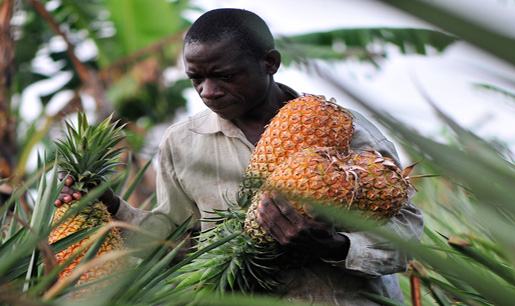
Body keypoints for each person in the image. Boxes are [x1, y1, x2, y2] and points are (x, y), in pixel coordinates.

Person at [56, 8, 423, 305]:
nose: (208, 92)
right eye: (195, 79)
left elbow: (407, 233)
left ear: (270, 63)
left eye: (224, 76)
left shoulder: (346, 130)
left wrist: (334, 246)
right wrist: (112, 205)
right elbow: (175, 238)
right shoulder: (182, 142)